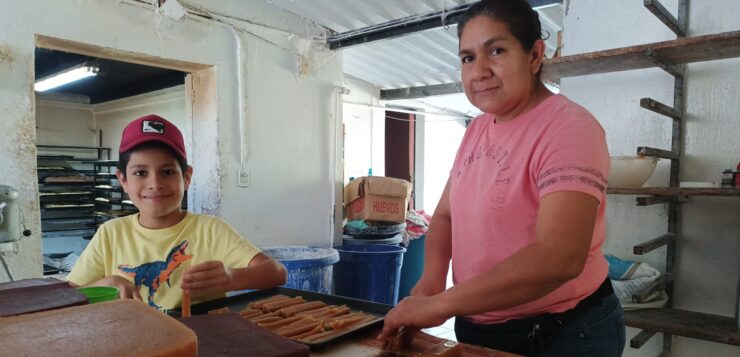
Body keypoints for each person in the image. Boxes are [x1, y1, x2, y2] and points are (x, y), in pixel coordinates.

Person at [379, 1, 625, 356]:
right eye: (467, 58)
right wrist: (432, 280)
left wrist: (443, 303)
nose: (479, 71)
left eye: (496, 51)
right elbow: (446, 215)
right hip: (477, 327)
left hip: (564, 333)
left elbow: (560, 256)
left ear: (535, 54)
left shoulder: (569, 128)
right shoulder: (477, 129)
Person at [67, 114, 287, 313]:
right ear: (123, 179)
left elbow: (276, 272)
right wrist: (106, 284)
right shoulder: (111, 234)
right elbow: (67, 295)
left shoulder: (210, 230)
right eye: (141, 173)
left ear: (187, 177)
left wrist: (231, 278)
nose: (155, 183)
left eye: (167, 172)